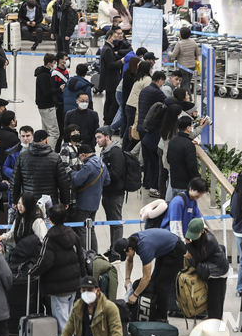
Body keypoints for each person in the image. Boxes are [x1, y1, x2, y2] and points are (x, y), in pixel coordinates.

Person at [31, 205, 86, 336]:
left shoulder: (50, 238)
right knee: (68, 321)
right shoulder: (73, 234)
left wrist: (33, 271)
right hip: (73, 286)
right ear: (65, 218)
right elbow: (81, 257)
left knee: (64, 328)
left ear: (49, 219)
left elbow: (45, 261)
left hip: (58, 289)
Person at [115, 228, 185, 322]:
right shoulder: (131, 241)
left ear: (130, 249)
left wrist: (135, 295)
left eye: (126, 254)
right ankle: (154, 310)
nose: (127, 256)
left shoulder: (145, 249)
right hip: (164, 249)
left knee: (161, 285)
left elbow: (146, 277)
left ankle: (162, 318)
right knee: (154, 282)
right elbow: (129, 260)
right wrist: (127, 279)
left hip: (176, 250)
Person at [57, 275, 123, 336]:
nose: (86, 293)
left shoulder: (110, 308)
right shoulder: (77, 308)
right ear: (81, 292)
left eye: (90, 290)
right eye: (84, 291)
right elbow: (67, 332)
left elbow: (117, 335)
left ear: (97, 291)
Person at [183, 218, 230, 320]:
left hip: (218, 271)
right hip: (209, 266)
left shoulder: (209, 240)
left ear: (202, 231)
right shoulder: (200, 234)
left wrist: (189, 245)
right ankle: (211, 319)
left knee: (215, 301)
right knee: (210, 299)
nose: (193, 238)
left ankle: (215, 323)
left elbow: (199, 258)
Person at [10, 129, 71, 208]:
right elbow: (63, 182)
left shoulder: (22, 156)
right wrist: (65, 201)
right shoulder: (55, 157)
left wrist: (15, 200)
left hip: (29, 201)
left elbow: (15, 181)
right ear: (46, 140)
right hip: (50, 202)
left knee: (30, 220)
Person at [70, 144, 110, 254]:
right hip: (95, 202)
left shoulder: (88, 166)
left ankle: (83, 255)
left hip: (83, 202)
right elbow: (107, 181)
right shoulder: (102, 163)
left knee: (81, 230)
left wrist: (73, 173)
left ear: (83, 155)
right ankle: (94, 254)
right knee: (91, 229)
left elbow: (77, 180)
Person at [94, 126, 126, 261]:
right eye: (96, 138)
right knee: (112, 221)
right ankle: (113, 247)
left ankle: (117, 252)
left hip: (115, 192)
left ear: (108, 137)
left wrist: (100, 174)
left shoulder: (115, 152)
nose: (97, 141)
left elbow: (115, 174)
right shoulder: (105, 151)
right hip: (108, 192)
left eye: (99, 137)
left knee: (116, 222)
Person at [137, 71, 167, 194]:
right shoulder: (157, 92)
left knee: (147, 158)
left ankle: (147, 182)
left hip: (142, 126)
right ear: (160, 80)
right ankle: (153, 185)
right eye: (163, 82)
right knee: (155, 161)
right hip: (152, 129)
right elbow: (169, 103)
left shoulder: (145, 90)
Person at [99, 28, 127, 124]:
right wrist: (121, 61)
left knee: (109, 101)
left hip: (109, 80)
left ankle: (107, 120)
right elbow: (110, 65)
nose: (117, 39)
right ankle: (109, 121)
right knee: (113, 103)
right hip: (111, 80)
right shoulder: (107, 49)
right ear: (110, 38)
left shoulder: (109, 48)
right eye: (115, 37)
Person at [35, 54, 61, 148]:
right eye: (54, 63)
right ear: (49, 63)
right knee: (54, 133)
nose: (55, 65)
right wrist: (59, 89)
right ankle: (50, 152)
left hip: (44, 106)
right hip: (47, 106)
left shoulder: (44, 73)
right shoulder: (44, 76)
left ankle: (43, 149)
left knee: (45, 131)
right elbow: (47, 92)